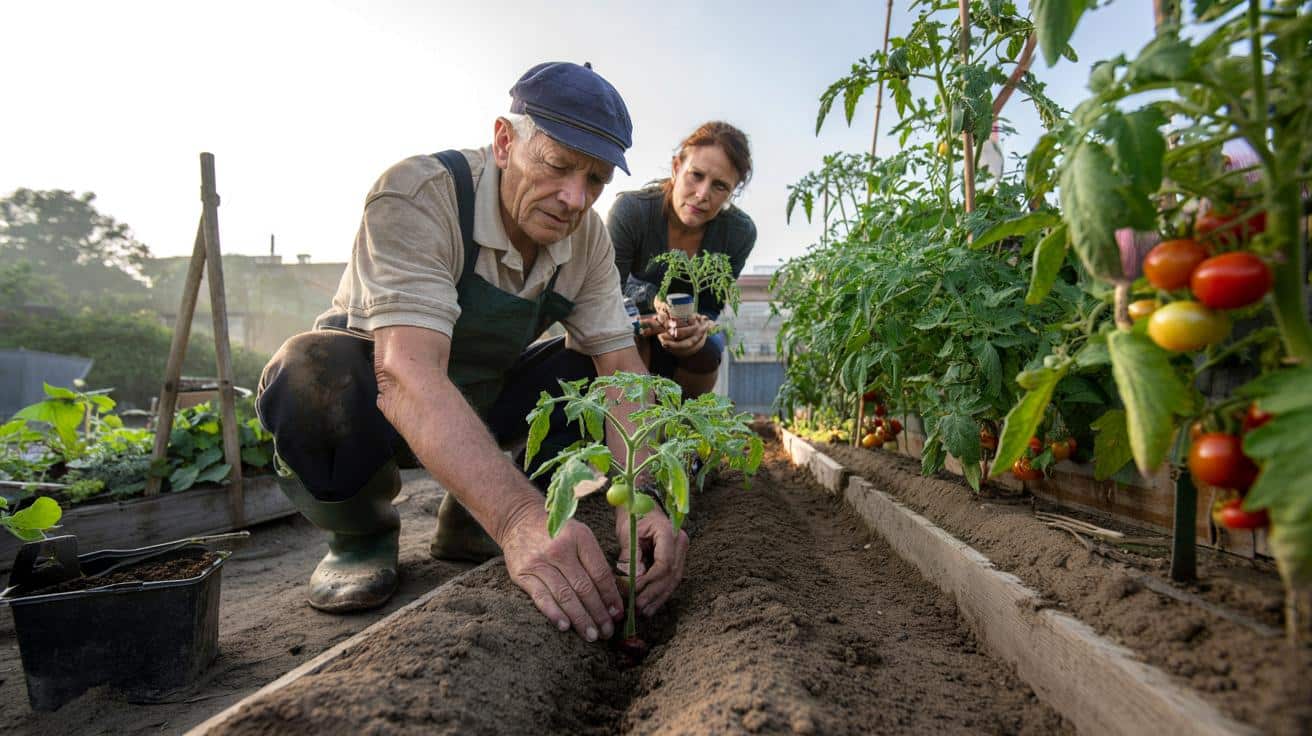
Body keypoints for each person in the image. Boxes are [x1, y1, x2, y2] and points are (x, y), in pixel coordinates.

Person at [255, 62, 689, 643]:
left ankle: (469, 519)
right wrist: (517, 518)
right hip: (378, 404)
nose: (575, 198)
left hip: (481, 401)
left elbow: (621, 373)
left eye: (596, 180)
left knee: (590, 371)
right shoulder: (420, 195)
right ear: (505, 142)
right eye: (558, 165)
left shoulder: (586, 240)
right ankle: (359, 533)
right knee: (310, 371)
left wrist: (643, 496)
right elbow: (405, 374)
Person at [607, 121, 755, 398]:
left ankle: (682, 419)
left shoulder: (738, 234)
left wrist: (696, 328)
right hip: (630, 323)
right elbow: (607, 293)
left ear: (732, 191)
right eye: (696, 175)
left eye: (720, 186)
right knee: (627, 339)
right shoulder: (632, 212)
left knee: (709, 349)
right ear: (677, 167)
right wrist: (653, 308)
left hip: (685, 336)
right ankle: (630, 419)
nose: (702, 195)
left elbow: (711, 306)